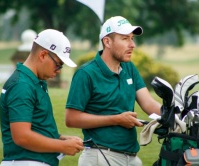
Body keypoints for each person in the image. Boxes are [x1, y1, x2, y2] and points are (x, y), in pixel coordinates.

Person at [65, 16, 162, 166]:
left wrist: (177, 113)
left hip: (131, 157)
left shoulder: (129, 68)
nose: (132, 45)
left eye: (132, 38)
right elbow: (71, 119)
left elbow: (148, 103)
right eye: (125, 39)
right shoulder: (86, 73)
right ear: (107, 42)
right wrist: (116, 119)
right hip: (100, 155)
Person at [0, 29, 84, 166]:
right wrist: (62, 146)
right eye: (58, 64)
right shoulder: (22, 85)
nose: (58, 70)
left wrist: (61, 139)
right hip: (25, 162)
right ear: (43, 55)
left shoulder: (35, 82)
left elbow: (36, 128)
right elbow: (22, 136)